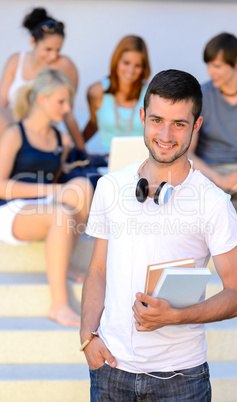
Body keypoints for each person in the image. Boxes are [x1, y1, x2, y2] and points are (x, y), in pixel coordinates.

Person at [80, 69, 237, 401]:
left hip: (181, 379)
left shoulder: (214, 203)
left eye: (179, 123)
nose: (166, 134)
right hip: (110, 370)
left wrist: (176, 316)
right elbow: (98, 270)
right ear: (143, 117)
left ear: (196, 126)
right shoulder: (109, 187)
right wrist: (88, 336)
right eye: (157, 120)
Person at [0, 68, 94, 327]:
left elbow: (58, 185)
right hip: (11, 208)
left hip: (41, 207)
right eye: (61, 102)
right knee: (61, 213)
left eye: (69, 103)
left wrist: (57, 191)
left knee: (83, 187)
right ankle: (59, 305)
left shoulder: (61, 140)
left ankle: (66, 259)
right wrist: (52, 191)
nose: (66, 109)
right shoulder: (14, 134)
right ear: (41, 98)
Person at [188, 32, 237, 223]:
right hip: (210, 174)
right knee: (206, 210)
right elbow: (188, 153)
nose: (210, 72)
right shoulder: (202, 95)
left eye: (216, 66)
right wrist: (219, 179)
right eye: (208, 65)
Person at [0, 7, 86, 151]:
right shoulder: (16, 61)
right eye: (48, 49)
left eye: (58, 50)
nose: (53, 56)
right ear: (33, 41)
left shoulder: (64, 65)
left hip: (43, 132)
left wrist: (82, 150)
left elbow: (67, 113)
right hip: (13, 129)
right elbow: (2, 104)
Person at [83, 35, 151, 155]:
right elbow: (94, 124)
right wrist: (75, 149)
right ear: (116, 61)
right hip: (108, 165)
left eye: (137, 66)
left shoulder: (151, 95)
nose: (130, 70)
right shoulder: (96, 92)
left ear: (144, 67)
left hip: (145, 166)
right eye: (126, 62)